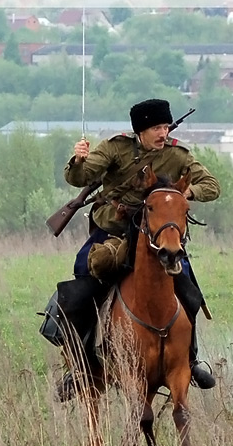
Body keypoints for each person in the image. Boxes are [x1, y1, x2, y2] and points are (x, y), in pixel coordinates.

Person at [53, 98, 222, 400]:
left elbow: (211, 186)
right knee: (81, 283)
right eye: (156, 127)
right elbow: (79, 177)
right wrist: (78, 160)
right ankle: (81, 367)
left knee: (190, 292)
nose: (163, 132)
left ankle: (190, 361)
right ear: (140, 130)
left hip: (157, 238)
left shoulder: (177, 154)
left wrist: (184, 193)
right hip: (113, 232)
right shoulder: (115, 148)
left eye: (165, 126)